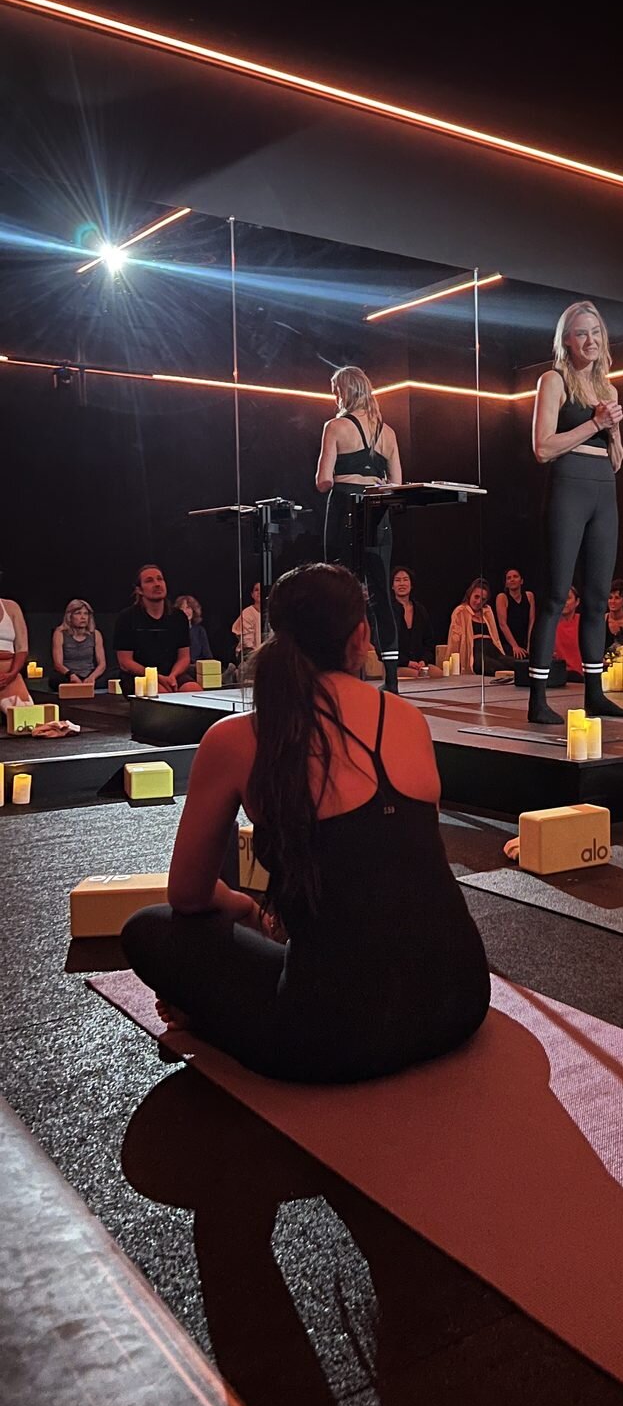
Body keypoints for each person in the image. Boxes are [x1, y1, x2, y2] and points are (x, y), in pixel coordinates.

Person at [120, 563, 491, 1083]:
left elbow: (187, 896)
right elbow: (406, 867)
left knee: (148, 930)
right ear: (360, 634)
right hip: (461, 999)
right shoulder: (408, 719)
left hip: (330, 1036)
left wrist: (247, 907)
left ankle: (208, 1015)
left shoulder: (235, 739)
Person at [526, 301, 623, 724]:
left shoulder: (610, 390)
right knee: (554, 597)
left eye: (596, 333)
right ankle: (537, 700)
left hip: (604, 490)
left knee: (598, 599)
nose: (590, 340)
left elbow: (618, 458)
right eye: (581, 333)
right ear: (566, 340)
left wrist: (614, 427)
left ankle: (594, 694)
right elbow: (543, 448)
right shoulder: (552, 381)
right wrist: (594, 424)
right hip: (568, 487)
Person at [316, 366, 404, 692]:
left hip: (344, 506)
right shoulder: (389, 433)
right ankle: (391, 679)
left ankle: (344, 672)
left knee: (341, 590)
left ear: (344, 392)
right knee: (381, 593)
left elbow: (324, 480)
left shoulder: (335, 426)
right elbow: (398, 484)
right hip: (378, 508)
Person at [113, 566, 200, 694]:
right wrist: (158, 678)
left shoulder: (178, 617)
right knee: (160, 694)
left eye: (160, 579)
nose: (157, 584)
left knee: (194, 691)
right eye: (149, 581)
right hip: (139, 676)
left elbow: (184, 657)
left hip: (171, 673)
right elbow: (125, 662)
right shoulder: (127, 617)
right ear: (139, 590)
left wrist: (172, 676)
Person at [447, 580, 507, 675]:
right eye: (476, 597)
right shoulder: (460, 611)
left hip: (492, 650)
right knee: (494, 667)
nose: (479, 602)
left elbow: (495, 637)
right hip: (475, 652)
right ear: (470, 594)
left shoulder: (487, 611)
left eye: (483, 599)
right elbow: (455, 639)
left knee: (513, 664)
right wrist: (452, 664)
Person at [50, 599, 106, 689]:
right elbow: (58, 664)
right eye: (78, 613)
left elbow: (102, 664)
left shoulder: (96, 634)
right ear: (70, 616)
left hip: (89, 673)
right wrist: (71, 675)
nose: (83, 617)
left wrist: (92, 677)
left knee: (112, 676)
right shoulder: (59, 633)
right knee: (55, 680)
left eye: (85, 614)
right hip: (68, 675)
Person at [391, 567, 436, 671]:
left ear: (411, 585)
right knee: (414, 675)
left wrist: (424, 660)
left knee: (437, 673)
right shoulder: (388, 611)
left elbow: (429, 642)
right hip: (398, 665)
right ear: (392, 586)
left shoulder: (420, 610)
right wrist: (407, 662)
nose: (402, 583)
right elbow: (384, 647)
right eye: (397, 580)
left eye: (405, 579)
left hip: (420, 664)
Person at [0, 586, 32, 706]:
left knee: (27, 717)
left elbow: (22, 647)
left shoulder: (11, 607)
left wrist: (12, 674)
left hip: (8, 674)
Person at [495, 568, 536, 660]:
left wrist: (529, 644)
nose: (512, 579)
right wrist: (515, 646)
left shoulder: (529, 596)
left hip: (524, 641)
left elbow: (531, 621)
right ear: (506, 583)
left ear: (521, 581)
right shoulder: (502, 597)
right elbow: (502, 624)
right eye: (509, 578)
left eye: (515, 577)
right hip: (508, 643)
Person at [175, 595, 214, 670]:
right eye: (182, 609)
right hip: (181, 668)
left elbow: (208, 656)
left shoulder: (200, 630)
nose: (185, 612)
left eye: (188, 608)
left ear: (194, 610)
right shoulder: (174, 631)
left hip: (198, 667)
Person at [553, 586, 584, 680]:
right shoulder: (551, 624)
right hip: (558, 677)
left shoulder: (584, 622)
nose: (564, 602)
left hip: (581, 678)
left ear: (577, 601)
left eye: (568, 598)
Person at [232, 583, 262, 659]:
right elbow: (247, 643)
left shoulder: (273, 612)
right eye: (256, 590)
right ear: (252, 594)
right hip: (248, 654)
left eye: (261, 589)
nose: (259, 592)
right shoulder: (248, 613)